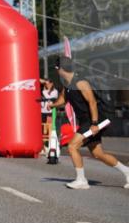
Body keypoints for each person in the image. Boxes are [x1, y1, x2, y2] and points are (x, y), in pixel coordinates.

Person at [49, 56, 129, 190]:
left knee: (72, 146)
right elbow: (62, 100)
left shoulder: (80, 82)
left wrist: (94, 123)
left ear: (60, 69)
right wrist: (52, 105)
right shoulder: (67, 85)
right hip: (87, 121)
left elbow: (92, 102)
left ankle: (81, 180)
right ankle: (127, 171)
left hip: (96, 119)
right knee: (98, 154)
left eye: (56, 68)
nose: (56, 71)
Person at [40, 78, 59, 155]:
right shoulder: (43, 91)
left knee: (49, 129)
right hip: (42, 112)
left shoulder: (55, 91)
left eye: (48, 83)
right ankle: (43, 147)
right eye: (45, 84)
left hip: (50, 112)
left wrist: (44, 85)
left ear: (51, 84)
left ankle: (51, 146)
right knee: (43, 130)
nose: (46, 85)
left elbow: (48, 97)